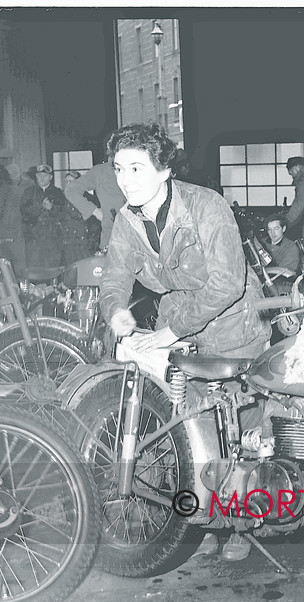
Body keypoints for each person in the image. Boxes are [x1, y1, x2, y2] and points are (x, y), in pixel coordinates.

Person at [100, 122, 272, 561]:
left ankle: (243, 523)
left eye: (137, 168)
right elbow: (114, 278)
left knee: (241, 425)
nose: (125, 180)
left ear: (163, 170)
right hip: (180, 328)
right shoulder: (125, 220)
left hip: (232, 326)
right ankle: (206, 521)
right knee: (193, 425)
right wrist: (117, 310)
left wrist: (169, 333)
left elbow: (229, 282)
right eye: (119, 169)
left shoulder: (205, 206)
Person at [64, 160, 126, 251]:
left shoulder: (141, 167)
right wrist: (95, 211)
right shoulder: (101, 171)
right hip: (112, 238)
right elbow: (71, 190)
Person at [20, 164, 66, 268]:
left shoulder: (58, 193)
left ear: (51, 177)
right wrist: (40, 206)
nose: (42, 178)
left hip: (53, 240)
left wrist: (52, 208)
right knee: (35, 270)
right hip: (34, 240)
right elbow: (24, 211)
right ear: (36, 176)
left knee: (53, 269)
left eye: (45, 175)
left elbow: (63, 213)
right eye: (40, 175)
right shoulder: (28, 192)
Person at [0, 164, 25, 274]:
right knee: (19, 269)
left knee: (5, 270)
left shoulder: (3, 189)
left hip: (5, 234)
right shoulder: (18, 190)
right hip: (18, 234)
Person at [263, 213, 302, 284]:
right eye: (269, 229)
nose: (272, 233)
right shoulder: (261, 244)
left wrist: (263, 270)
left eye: (276, 228)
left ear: (283, 229)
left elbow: (285, 272)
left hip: (282, 284)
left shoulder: (291, 247)